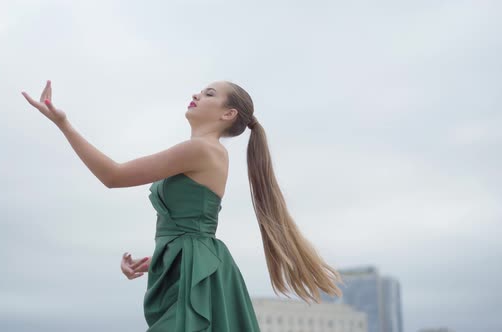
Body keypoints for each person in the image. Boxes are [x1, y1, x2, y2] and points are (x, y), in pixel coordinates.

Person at [22, 80, 343, 331]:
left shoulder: (201, 150)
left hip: (195, 274)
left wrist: (63, 124)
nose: (196, 94)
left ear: (227, 114)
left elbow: (113, 175)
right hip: (187, 266)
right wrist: (158, 261)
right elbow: (192, 222)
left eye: (209, 93)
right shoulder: (205, 151)